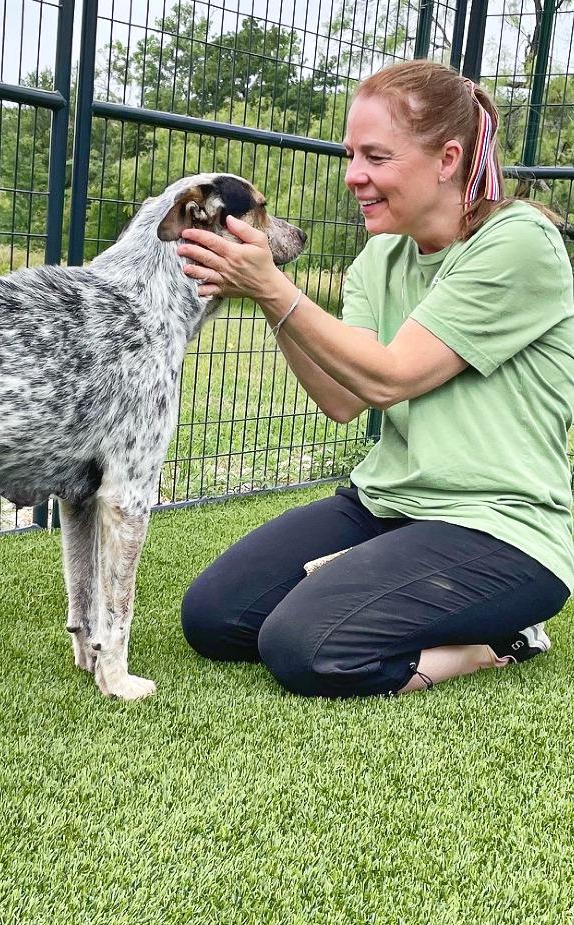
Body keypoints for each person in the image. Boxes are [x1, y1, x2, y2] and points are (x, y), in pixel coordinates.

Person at [177, 59, 574, 697]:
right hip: (388, 503)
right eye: (351, 155)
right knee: (214, 617)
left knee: (305, 646)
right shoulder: (381, 255)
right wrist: (265, 297)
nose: (353, 175)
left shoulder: (518, 243)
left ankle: (497, 641)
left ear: (448, 160)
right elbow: (344, 397)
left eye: (376, 157)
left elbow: (392, 378)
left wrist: (275, 289)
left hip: (501, 527)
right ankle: (393, 586)